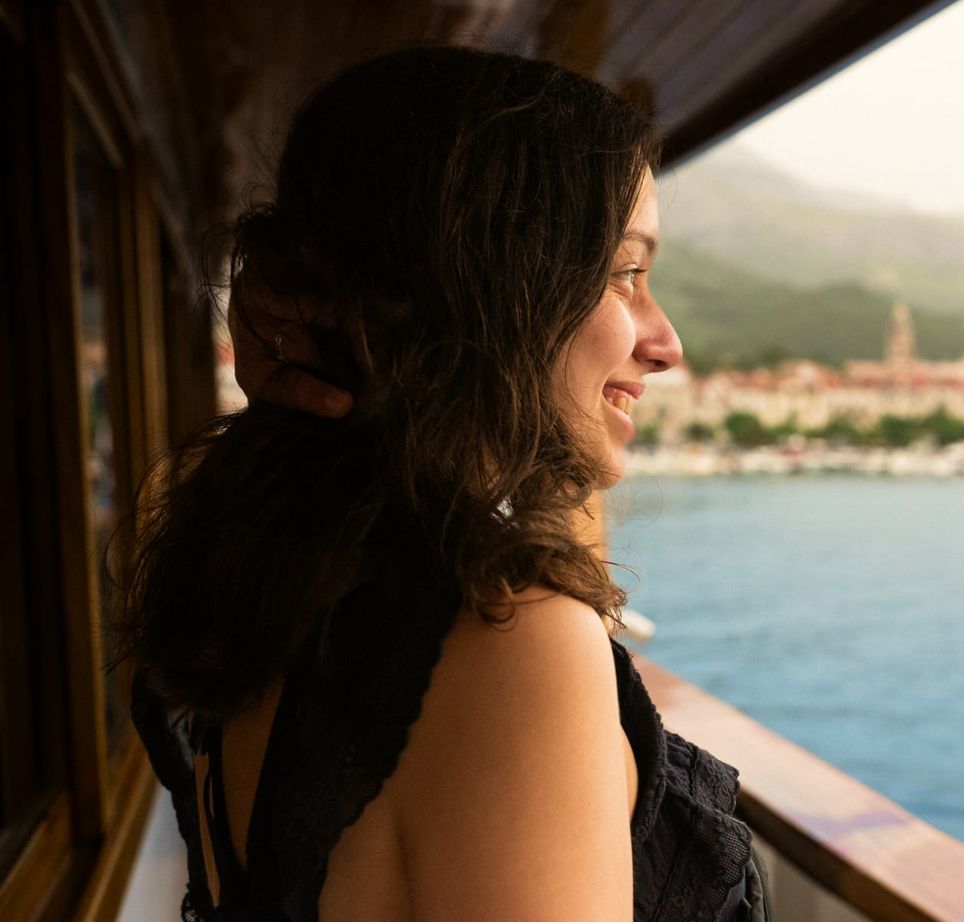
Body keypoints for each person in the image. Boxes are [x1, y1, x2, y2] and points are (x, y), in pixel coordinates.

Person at [117, 46, 768, 921]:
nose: (666, 341)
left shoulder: (280, 578)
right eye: (625, 272)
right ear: (494, 285)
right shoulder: (511, 643)